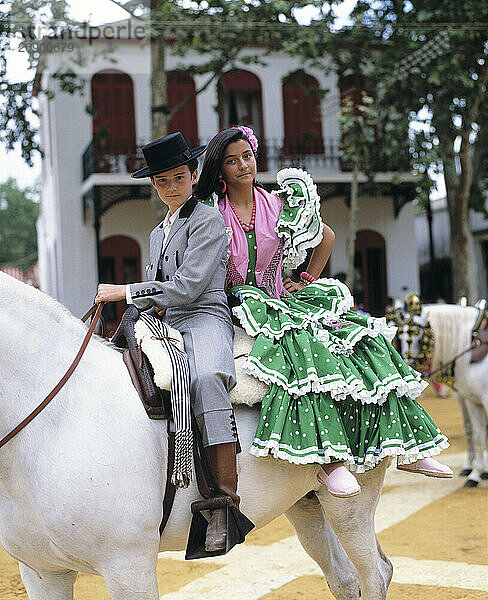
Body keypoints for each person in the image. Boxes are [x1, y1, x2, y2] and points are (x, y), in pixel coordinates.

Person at [194, 125, 453, 498]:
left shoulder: (279, 204)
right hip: (239, 304)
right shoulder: (211, 212)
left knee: (364, 339)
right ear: (220, 169)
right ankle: (330, 463)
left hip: (280, 295)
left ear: (255, 157)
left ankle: (408, 449)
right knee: (305, 353)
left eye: (247, 157)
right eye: (231, 161)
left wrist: (307, 276)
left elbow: (326, 236)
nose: (242, 166)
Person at [95, 132, 243, 553]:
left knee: (208, 377)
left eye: (179, 177)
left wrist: (126, 292)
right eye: (162, 182)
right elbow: (163, 292)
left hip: (204, 316)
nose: (171, 187)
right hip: (165, 318)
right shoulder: (158, 233)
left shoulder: (209, 220)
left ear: (194, 175)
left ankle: (222, 503)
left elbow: (188, 286)